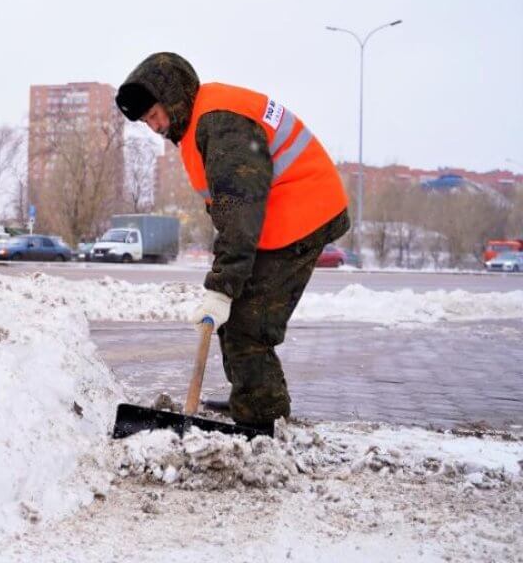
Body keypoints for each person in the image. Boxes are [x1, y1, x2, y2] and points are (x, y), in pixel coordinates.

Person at [115, 52, 350, 429]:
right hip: (281, 219)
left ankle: (262, 418)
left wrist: (222, 287)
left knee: (247, 324)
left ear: (173, 96)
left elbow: (240, 212)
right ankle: (250, 398)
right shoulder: (199, 122)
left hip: (303, 216)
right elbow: (229, 211)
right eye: (146, 121)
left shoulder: (220, 123)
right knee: (238, 316)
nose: (154, 126)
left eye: (155, 115)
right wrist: (227, 280)